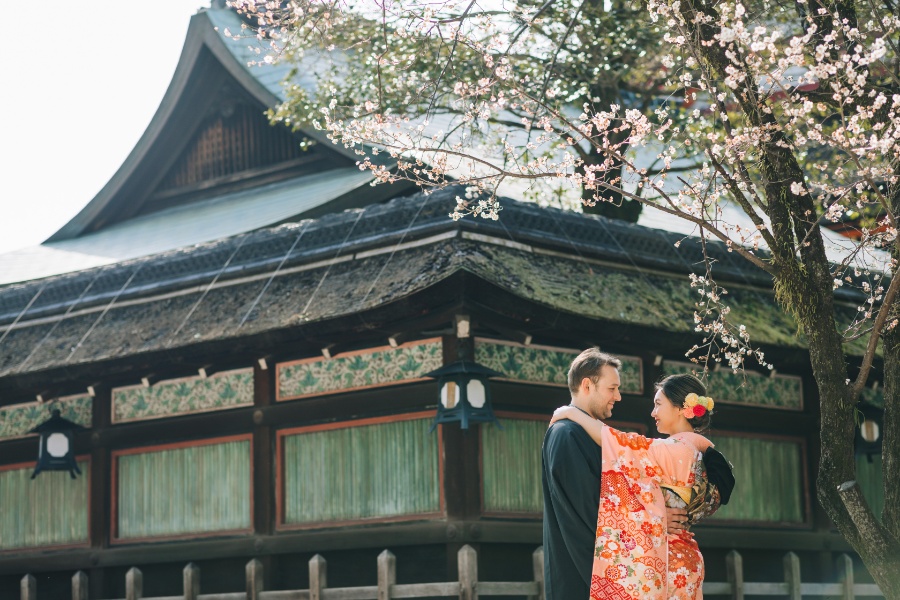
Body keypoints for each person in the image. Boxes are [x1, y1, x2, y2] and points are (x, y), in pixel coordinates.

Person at [542, 349, 733, 600]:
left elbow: (623, 445)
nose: (618, 397)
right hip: (615, 567)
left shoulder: (674, 449)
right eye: (612, 389)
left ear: (681, 409)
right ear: (587, 385)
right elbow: (592, 506)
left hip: (662, 562)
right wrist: (656, 517)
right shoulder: (566, 435)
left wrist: (568, 412)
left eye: (657, 404)